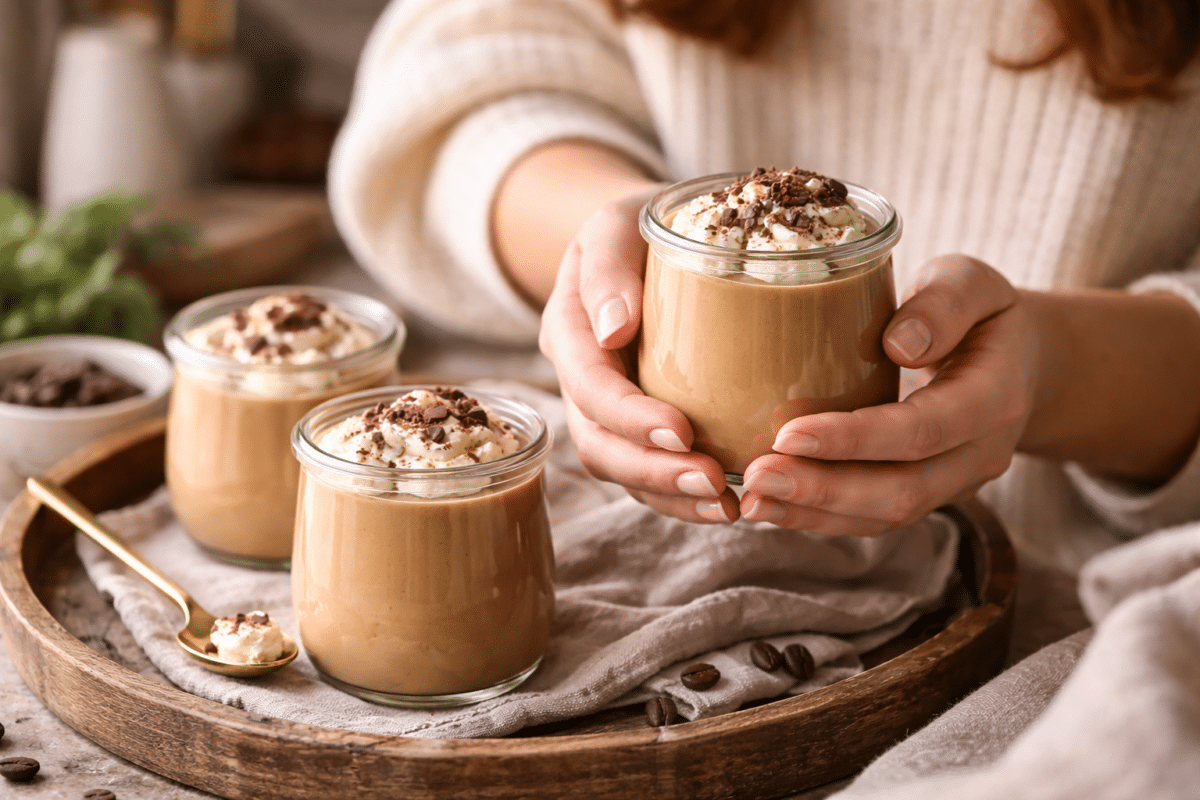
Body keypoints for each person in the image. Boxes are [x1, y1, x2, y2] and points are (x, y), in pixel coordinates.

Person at [329, 0, 1200, 572]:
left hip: (1095, 603)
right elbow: (460, 83)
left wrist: (1058, 371)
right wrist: (605, 245)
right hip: (667, 556)